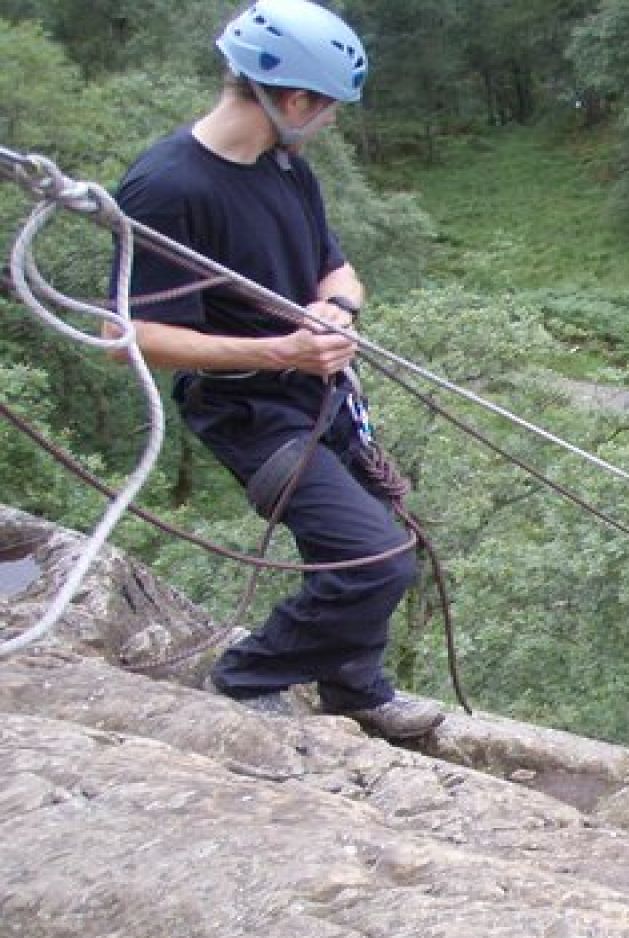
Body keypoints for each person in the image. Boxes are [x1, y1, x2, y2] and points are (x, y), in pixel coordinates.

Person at [112, 0, 439, 738]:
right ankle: (247, 676)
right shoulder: (169, 188)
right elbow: (126, 334)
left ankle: (354, 684)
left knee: (374, 538)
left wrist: (336, 312)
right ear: (294, 100)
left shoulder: (285, 168)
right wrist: (280, 350)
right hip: (249, 412)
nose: (329, 124)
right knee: (377, 558)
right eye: (327, 109)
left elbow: (339, 270)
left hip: (316, 392)